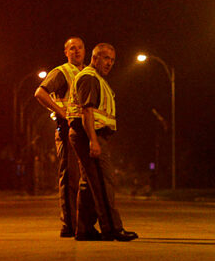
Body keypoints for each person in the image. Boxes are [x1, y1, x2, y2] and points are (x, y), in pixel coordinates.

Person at [67, 43, 138, 241]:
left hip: (88, 135)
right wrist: (93, 141)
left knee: (89, 185)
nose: (109, 63)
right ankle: (113, 228)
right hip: (89, 135)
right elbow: (87, 111)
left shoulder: (96, 78)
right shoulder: (89, 78)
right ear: (94, 58)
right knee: (103, 182)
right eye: (105, 58)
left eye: (112, 60)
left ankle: (84, 229)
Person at [34, 37, 87, 237]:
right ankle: (69, 224)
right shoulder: (62, 72)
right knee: (70, 177)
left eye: (80, 48)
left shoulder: (87, 73)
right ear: (66, 52)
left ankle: (82, 223)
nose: (76, 51)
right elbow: (40, 93)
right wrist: (61, 112)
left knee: (84, 180)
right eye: (72, 49)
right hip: (67, 129)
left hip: (86, 130)